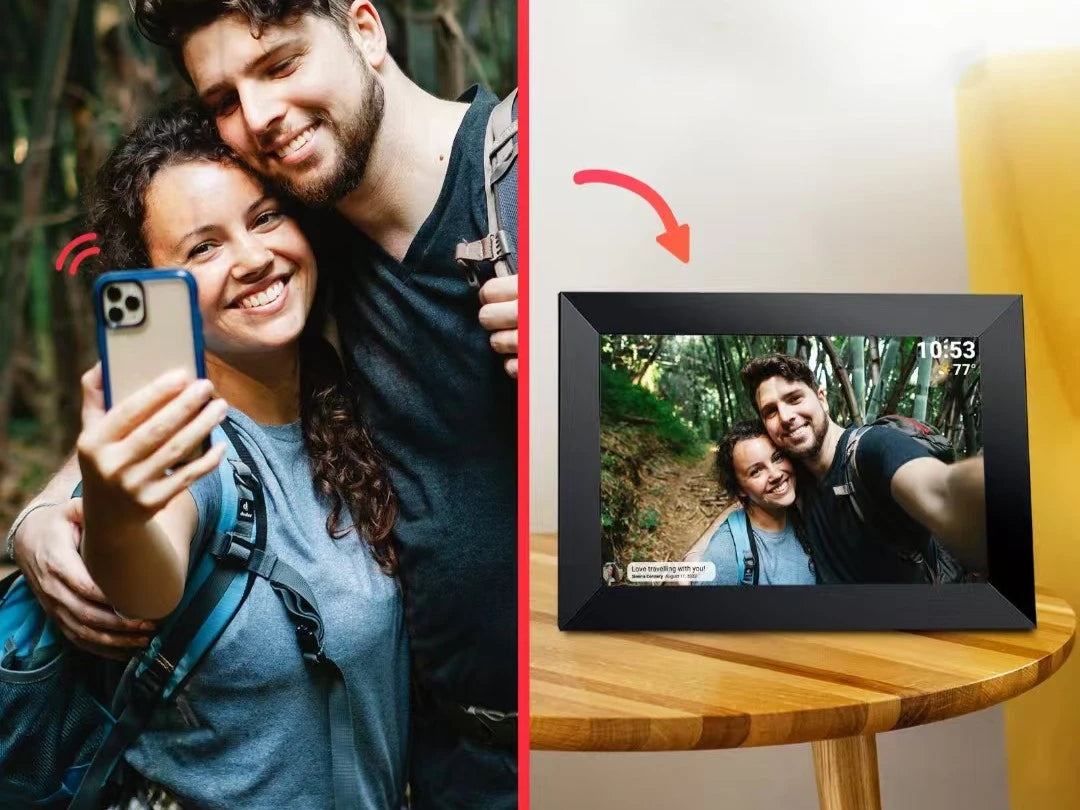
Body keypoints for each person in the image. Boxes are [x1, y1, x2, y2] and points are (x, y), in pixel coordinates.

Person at [8, 2, 518, 806]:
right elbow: (161, 509)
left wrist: (603, 344)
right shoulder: (313, 215)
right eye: (222, 99)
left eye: (279, 65)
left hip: (601, 729)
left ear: (366, 28)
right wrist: (63, 506)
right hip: (456, 762)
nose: (260, 118)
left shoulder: (544, 176)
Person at [78, 101, 407, 808]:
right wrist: (110, 504)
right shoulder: (183, 452)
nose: (254, 258)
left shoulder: (351, 412)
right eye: (203, 248)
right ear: (154, 293)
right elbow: (144, 578)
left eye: (264, 218)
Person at [739, 354, 987, 584]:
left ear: (822, 400)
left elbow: (942, 491)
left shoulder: (873, 449)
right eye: (770, 411)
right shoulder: (791, 477)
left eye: (794, 399)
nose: (785, 416)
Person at [684, 421, 816, 586]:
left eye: (777, 457)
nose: (775, 474)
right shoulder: (725, 555)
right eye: (756, 471)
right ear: (740, 489)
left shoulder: (805, 511)